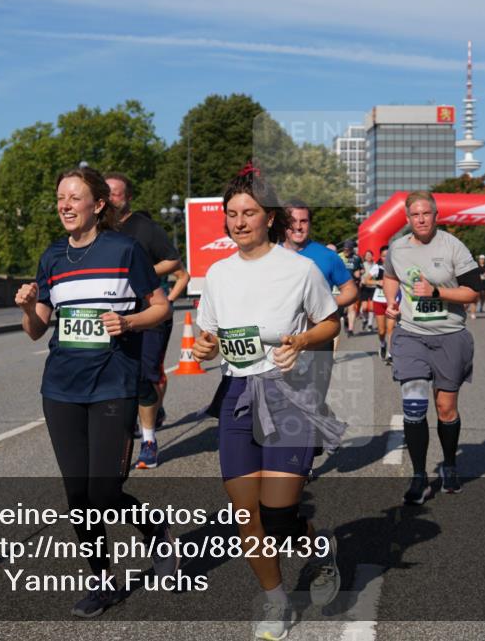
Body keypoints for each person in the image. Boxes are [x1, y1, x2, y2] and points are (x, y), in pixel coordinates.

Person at [14, 167, 177, 618]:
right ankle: (102, 581)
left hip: (112, 384)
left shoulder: (124, 250)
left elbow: (161, 307)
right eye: (60, 198)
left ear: (98, 204)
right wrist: (27, 307)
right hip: (61, 388)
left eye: (74, 197)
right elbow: (36, 330)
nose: (65, 206)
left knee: (103, 493)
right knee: (78, 497)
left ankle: (155, 530)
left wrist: (128, 322)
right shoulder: (53, 256)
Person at [192, 163, 343, 640]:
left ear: (270, 217)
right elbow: (207, 334)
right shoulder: (218, 274)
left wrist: (302, 341)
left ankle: (321, 552)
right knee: (246, 514)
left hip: (288, 394)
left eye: (249, 213)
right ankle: (276, 600)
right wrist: (204, 348)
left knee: (278, 515)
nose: (239, 222)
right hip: (237, 395)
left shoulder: (299, 270)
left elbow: (331, 321)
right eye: (232, 213)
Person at [383, 191, 480, 505]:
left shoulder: (453, 246)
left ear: (436, 216)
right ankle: (419, 477)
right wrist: (391, 301)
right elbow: (390, 276)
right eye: (415, 215)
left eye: (426, 214)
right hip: (411, 335)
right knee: (413, 405)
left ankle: (449, 465)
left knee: (445, 408)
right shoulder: (397, 248)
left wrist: (437, 291)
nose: (421, 219)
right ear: (408, 218)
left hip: (449, 335)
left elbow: (472, 292)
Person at [104, 172, 190, 469]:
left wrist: (141, 272)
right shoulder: (100, 230)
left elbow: (174, 262)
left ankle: (149, 441)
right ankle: (128, 431)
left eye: (116, 193)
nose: (111, 198)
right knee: (117, 379)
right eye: (106, 192)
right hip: (115, 315)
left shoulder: (145, 227)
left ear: (127, 197)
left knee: (144, 377)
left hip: (150, 313)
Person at [283, 198, 358, 401]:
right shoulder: (271, 255)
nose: (298, 226)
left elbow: (351, 291)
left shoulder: (327, 256)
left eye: (304, 221)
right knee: (280, 402)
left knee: (313, 402)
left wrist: (326, 306)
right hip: (281, 341)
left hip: (318, 339)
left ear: (310, 224)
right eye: (292, 221)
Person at [364, 245, 392, 362]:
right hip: (379, 300)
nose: (386, 258)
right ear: (380, 256)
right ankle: (382, 344)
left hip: (391, 301)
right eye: (384, 256)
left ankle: (390, 354)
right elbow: (366, 280)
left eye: (388, 255)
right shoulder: (377, 267)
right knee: (382, 331)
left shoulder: (395, 265)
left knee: (391, 328)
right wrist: (377, 282)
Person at [338, 241, 363, 335]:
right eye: (345, 249)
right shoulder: (338, 256)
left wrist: (359, 273)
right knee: (341, 308)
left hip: (352, 284)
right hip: (339, 285)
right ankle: (345, 318)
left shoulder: (357, 258)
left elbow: (362, 269)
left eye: (348, 250)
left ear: (352, 249)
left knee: (351, 307)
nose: (346, 251)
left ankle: (350, 329)